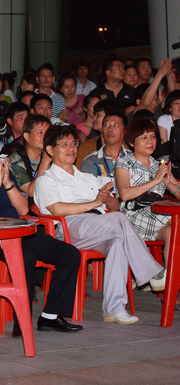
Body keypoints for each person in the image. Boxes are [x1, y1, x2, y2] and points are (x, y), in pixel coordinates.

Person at [0, 121, 82, 334]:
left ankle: (50, 316)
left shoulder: (2, 172)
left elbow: (22, 208)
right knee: (25, 257)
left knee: (70, 254)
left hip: (20, 230)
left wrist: (7, 184)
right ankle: (22, 318)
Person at [34, 124, 166, 324]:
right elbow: (56, 209)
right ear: (50, 150)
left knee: (118, 243)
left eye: (74, 144)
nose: (71, 149)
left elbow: (114, 205)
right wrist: (94, 203)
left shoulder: (87, 178)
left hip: (97, 224)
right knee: (120, 219)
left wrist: (106, 198)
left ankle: (114, 308)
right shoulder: (46, 179)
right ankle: (152, 273)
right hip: (69, 227)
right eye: (64, 144)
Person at [115, 119, 177, 263]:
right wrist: (155, 181)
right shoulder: (124, 162)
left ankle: (168, 276)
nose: (150, 141)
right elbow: (125, 194)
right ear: (132, 142)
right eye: (144, 137)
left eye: (153, 136)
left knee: (173, 233)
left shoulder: (158, 165)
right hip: (133, 215)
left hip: (158, 215)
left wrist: (170, 185)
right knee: (176, 220)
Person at [7, 115, 52, 205]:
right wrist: (45, 162)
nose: (45, 137)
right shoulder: (15, 159)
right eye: (40, 132)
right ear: (27, 137)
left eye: (48, 133)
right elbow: (31, 192)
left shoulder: (52, 156)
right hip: (24, 209)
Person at [80, 112, 127, 179]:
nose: (110, 129)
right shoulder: (91, 161)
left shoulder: (133, 159)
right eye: (106, 125)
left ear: (124, 131)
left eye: (115, 125)